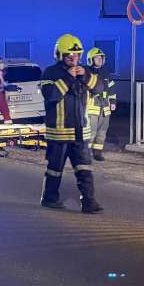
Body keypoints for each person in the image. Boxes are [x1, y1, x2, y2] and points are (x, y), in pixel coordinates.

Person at [38, 34, 103, 213]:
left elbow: (99, 88)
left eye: (77, 55)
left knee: (85, 169)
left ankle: (89, 202)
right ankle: (49, 198)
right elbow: (51, 95)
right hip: (58, 134)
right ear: (60, 55)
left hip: (80, 132)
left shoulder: (83, 72)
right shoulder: (50, 73)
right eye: (70, 55)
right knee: (55, 169)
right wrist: (67, 77)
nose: (74, 59)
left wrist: (86, 76)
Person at [86, 47, 117, 160]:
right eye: (97, 58)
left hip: (105, 107)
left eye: (101, 58)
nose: (100, 60)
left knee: (102, 132)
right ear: (91, 60)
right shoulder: (86, 72)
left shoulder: (106, 73)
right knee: (91, 132)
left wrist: (113, 102)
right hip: (92, 106)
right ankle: (85, 154)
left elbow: (112, 88)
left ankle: (97, 153)